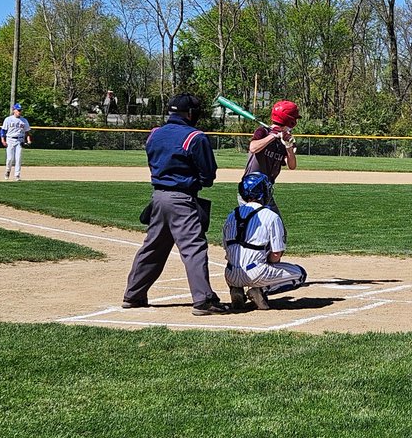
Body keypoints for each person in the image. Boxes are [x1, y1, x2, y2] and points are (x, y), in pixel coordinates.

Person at [122, 93, 227, 316]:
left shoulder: (154, 134)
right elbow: (208, 175)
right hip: (182, 199)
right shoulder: (195, 137)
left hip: (158, 198)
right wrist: (197, 180)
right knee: (193, 248)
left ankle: (133, 295)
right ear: (190, 114)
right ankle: (203, 300)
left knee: (153, 247)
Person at [222, 172, 308, 311]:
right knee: (301, 275)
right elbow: (276, 255)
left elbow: (227, 249)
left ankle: (236, 289)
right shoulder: (271, 216)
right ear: (262, 193)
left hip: (230, 274)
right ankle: (260, 291)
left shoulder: (232, 215)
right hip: (256, 273)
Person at [245, 99, 300, 210]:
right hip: (250, 190)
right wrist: (273, 136)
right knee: (256, 221)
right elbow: (253, 148)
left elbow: (292, 166)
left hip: (267, 191)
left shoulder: (285, 139)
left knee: (275, 221)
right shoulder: (263, 132)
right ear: (291, 120)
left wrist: (288, 147)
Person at [0, 103, 32, 181]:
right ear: (14, 110)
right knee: (10, 158)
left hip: (19, 140)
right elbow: (3, 130)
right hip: (10, 140)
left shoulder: (24, 120)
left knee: (18, 158)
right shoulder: (8, 119)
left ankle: (17, 175)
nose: (19, 112)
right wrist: (3, 140)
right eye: (18, 110)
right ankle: (8, 171)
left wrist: (28, 140)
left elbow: (27, 132)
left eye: (20, 110)